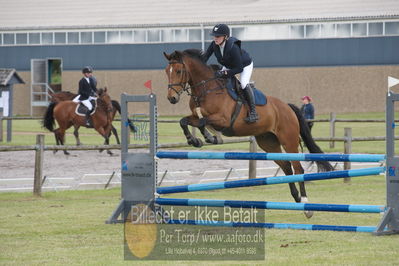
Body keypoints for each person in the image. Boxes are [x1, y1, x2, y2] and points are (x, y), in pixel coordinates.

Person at [203, 23, 258, 123]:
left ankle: (254, 113)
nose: (215, 38)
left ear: (225, 37)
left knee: (243, 83)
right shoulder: (214, 45)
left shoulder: (233, 48)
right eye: (214, 36)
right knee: (217, 80)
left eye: (218, 36)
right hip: (230, 65)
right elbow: (205, 58)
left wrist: (224, 74)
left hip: (244, 65)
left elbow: (239, 69)